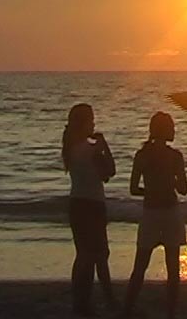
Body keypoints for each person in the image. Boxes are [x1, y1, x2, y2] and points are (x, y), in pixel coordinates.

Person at [123, 111, 187, 319]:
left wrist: (150, 190)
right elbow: (184, 189)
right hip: (170, 211)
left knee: (140, 265)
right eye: (172, 127)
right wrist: (172, 182)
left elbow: (133, 189)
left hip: (150, 211)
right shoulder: (175, 156)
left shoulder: (142, 155)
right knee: (173, 267)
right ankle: (171, 313)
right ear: (166, 130)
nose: (174, 130)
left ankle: (127, 309)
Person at [62, 103, 117, 316]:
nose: (93, 123)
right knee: (100, 255)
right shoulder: (91, 150)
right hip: (93, 205)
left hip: (76, 203)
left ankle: (81, 301)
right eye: (91, 120)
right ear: (84, 123)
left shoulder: (71, 149)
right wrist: (105, 146)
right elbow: (109, 172)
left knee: (84, 255)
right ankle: (108, 299)